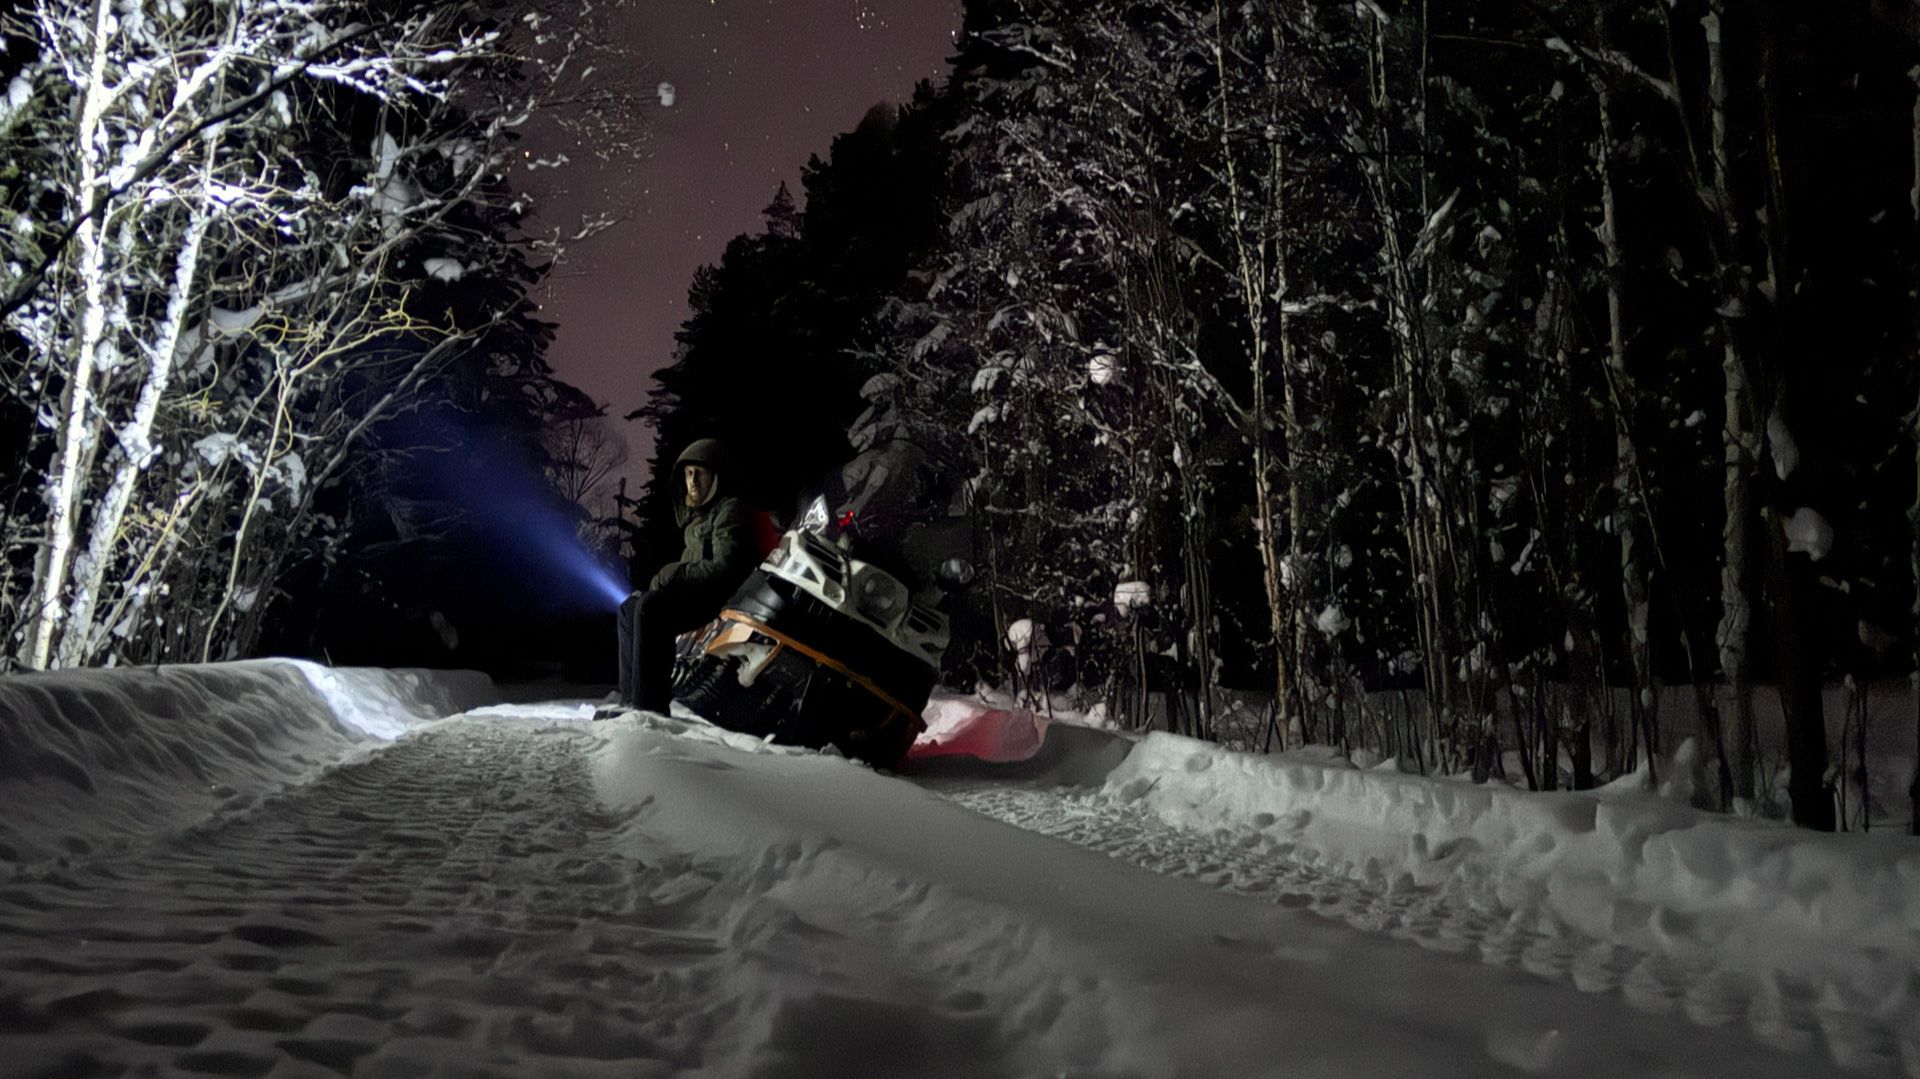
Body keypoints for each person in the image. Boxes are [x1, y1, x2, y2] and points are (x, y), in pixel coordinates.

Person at [613, 438, 764, 712]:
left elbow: (726, 568)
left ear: (716, 476)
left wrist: (674, 573)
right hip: (697, 598)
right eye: (688, 473)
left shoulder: (730, 509)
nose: (692, 481)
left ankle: (649, 708)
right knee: (629, 608)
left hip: (722, 600)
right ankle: (629, 702)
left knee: (651, 608)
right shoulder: (698, 519)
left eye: (700, 473)